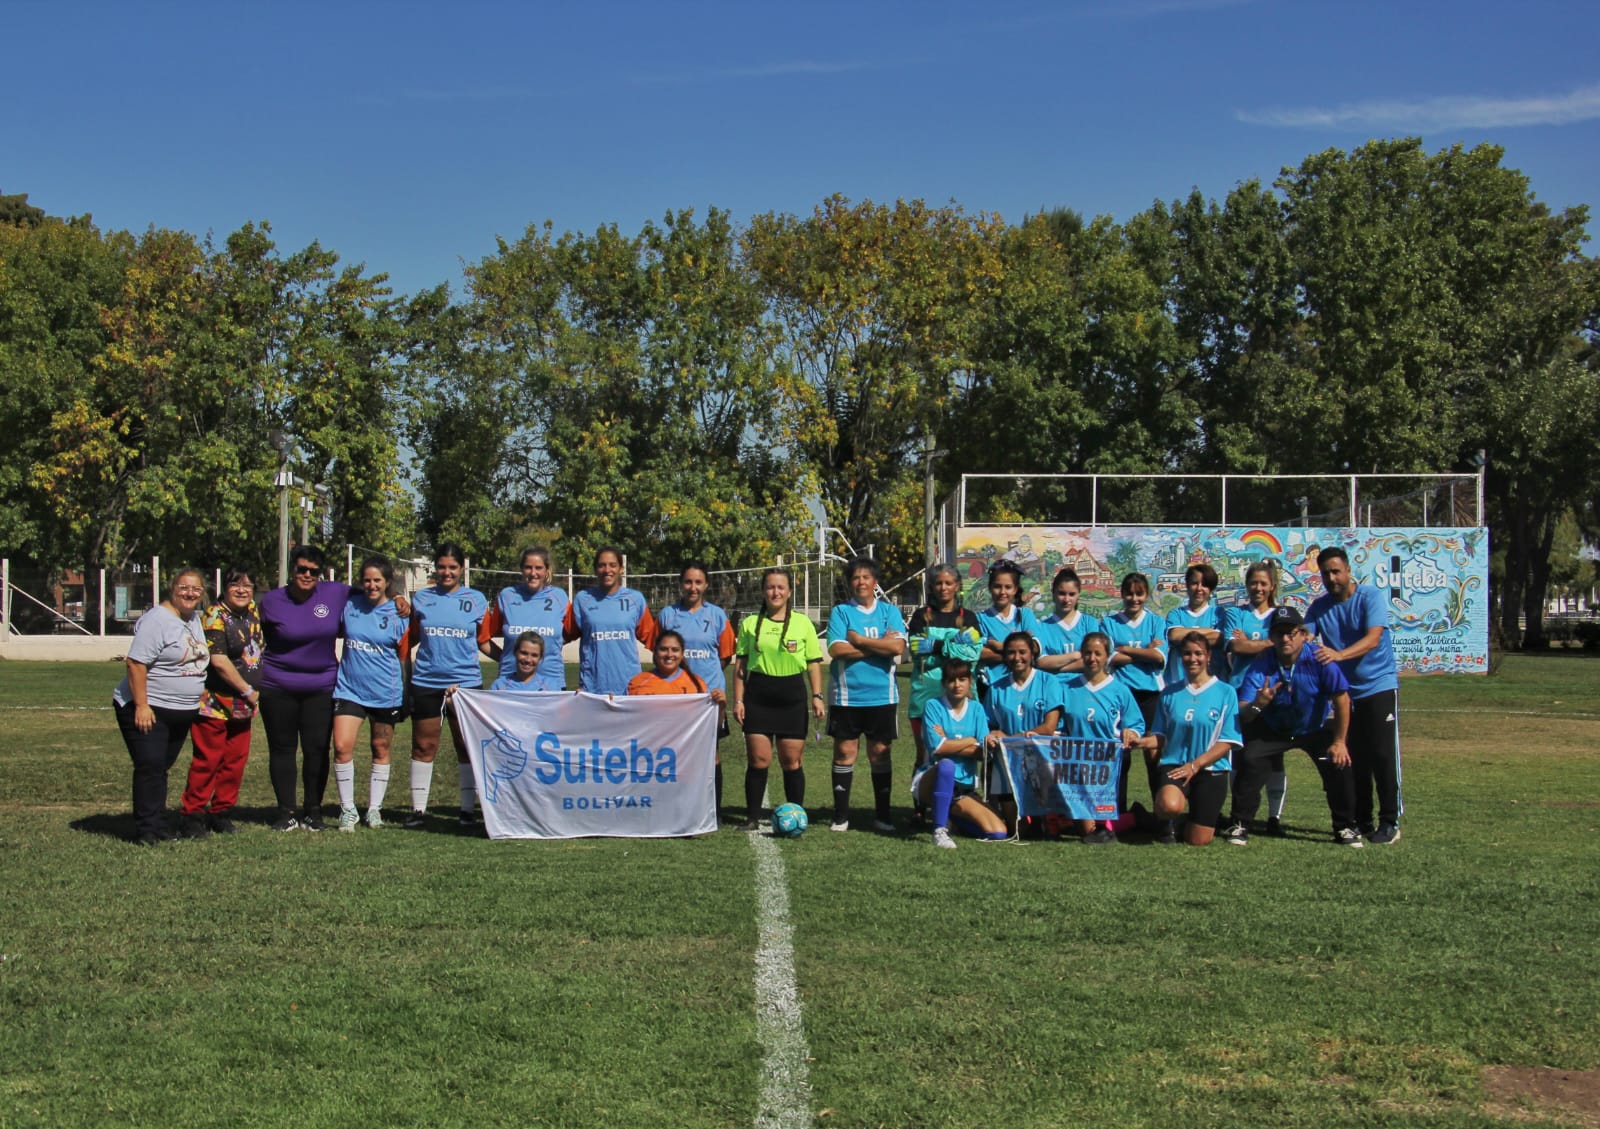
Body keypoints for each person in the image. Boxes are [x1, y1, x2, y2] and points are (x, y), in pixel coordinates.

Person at [1220, 608, 1363, 847]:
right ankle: (1240, 823)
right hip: (1273, 729)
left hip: (1314, 728)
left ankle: (1345, 826)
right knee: (1250, 758)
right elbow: (1244, 710)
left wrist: (1339, 742)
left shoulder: (1319, 659)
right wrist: (1258, 704)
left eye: (1291, 633)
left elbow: (1341, 699)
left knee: (1339, 763)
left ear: (1303, 635)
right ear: (1271, 637)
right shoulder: (1262, 663)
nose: (1285, 639)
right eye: (1278, 634)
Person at [1306, 546, 1402, 844]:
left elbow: (1373, 639)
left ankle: (1390, 821)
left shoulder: (1370, 597)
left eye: (1336, 571)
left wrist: (1338, 655)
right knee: (1355, 758)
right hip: (1346, 693)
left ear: (1348, 570)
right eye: (1326, 574)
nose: (1332, 578)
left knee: (1382, 755)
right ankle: (1363, 820)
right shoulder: (1320, 607)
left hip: (1378, 685)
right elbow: (1303, 637)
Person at [258, 545, 357, 831]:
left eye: (314, 571)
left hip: (321, 687)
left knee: (316, 749)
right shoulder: (272, 601)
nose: (307, 575)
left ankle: (313, 812)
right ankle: (286, 813)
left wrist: (398, 598)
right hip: (278, 686)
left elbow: (373, 593)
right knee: (282, 749)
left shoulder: (335, 593)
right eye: (302, 569)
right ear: (292, 569)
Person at [112, 567, 210, 845]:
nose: (190, 593)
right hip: (150, 708)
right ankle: (148, 830)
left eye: (196, 589)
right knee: (151, 766)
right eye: (184, 587)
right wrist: (142, 706)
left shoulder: (193, 619)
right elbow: (136, 663)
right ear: (172, 589)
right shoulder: (158, 620)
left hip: (181, 710)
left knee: (160, 767)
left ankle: (157, 823)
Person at [732, 568, 825, 831]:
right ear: (763, 591)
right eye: (770, 587)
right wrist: (738, 700)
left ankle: (796, 816)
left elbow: (813, 664)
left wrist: (817, 696)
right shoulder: (750, 624)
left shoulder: (803, 623)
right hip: (758, 696)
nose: (775, 592)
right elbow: (740, 667)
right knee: (758, 760)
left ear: (789, 592)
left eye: (781, 587)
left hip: (792, 697)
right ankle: (752, 817)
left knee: (791, 761)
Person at [405, 544, 490, 831]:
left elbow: (483, 641)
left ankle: (467, 811)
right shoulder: (421, 599)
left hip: (465, 684)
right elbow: (410, 639)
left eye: (452, 567)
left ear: (462, 569)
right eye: (442, 566)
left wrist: (510, 659)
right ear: (435, 568)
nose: (447, 572)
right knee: (423, 746)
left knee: (466, 747)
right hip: (426, 681)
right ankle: (418, 810)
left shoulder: (476, 600)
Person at [1134, 633, 1241, 846]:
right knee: (1169, 805)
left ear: (1208, 656)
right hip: (1175, 765)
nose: (1193, 659)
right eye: (1187, 654)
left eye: (1198, 653)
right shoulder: (1169, 693)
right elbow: (1160, 736)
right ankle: (1159, 817)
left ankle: (1169, 822)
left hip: (1211, 769)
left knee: (1198, 840)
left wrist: (1195, 765)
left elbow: (1228, 741)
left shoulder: (1226, 692)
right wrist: (1141, 742)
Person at [178, 567, 262, 838]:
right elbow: (219, 660)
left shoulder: (253, 611)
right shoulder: (215, 616)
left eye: (247, 585)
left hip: (242, 703)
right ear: (224, 588)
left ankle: (221, 812)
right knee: (208, 760)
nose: (242, 590)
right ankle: (193, 814)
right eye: (235, 585)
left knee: (235, 761)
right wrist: (248, 690)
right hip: (214, 701)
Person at [826, 557, 907, 832]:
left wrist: (859, 641)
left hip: (882, 696)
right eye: (855, 577)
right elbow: (837, 650)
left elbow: (898, 648)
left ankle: (883, 816)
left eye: (866, 577)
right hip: (847, 696)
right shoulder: (841, 612)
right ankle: (840, 816)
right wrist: (880, 645)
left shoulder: (889, 612)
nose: (861, 582)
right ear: (850, 583)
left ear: (875, 582)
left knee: (880, 754)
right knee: (844, 752)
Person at [330, 557, 410, 831]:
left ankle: (374, 809)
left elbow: (405, 654)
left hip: (385, 692)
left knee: (381, 748)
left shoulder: (400, 613)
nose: (372, 585)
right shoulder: (350, 605)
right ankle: (348, 810)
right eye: (367, 580)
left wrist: (399, 597)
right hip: (349, 689)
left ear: (387, 582)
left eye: (377, 580)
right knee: (342, 747)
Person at [657, 562, 736, 810]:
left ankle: (713, 810)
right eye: (688, 582)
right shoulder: (667, 615)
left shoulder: (717, 616)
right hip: (676, 697)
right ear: (681, 584)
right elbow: (660, 653)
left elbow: (725, 655)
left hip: (709, 699)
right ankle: (678, 808)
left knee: (711, 753)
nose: (693, 587)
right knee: (677, 754)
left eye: (698, 582)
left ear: (706, 585)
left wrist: (704, 681)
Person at [906, 564, 983, 805]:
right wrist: (954, 644)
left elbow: (972, 654)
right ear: (932, 586)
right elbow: (918, 653)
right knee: (925, 753)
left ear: (957, 586)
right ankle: (920, 806)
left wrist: (937, 645)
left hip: (962, 698)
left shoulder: (968, 617)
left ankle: (960, 801)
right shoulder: (921, 616)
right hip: (925, 695)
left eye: (948, 583)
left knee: (964, 750)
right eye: (938, 583)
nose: (943, 587)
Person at [912, 660, 1009, 849]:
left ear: (970, 681)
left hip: (963, 789)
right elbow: (937, 749)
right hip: (930, 780)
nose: (957, 685)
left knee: (997, 832)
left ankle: (953, 818)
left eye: (962, 679)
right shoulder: (933, 706)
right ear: (944, 683)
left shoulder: (976, 708)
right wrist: (970, 740)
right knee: (946, 765)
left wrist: (948, 742)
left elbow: (982, 753)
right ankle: (939, 831)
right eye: (951, 680)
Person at [1058, 631, 1144, 843]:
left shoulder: (1120, 690)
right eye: (1088, 653)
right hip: (1077, 765)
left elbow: (1136, 724)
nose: (1092, 658)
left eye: (1098, 653)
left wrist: (1130, 732)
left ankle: (1136, 817)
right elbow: (1059, 727)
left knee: (1095, 829)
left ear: (1107, 656)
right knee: (1085, 829)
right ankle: (1131, 817)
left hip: (1108, 766)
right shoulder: (1067, 688)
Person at [982, 631, 1066, 834]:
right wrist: (992, 736)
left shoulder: (1048, 682)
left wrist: (1009, 739)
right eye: (1011, 652)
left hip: (1043, 757)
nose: (1017, 657)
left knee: (1044, 829)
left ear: (1032, 653)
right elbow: (989, 725)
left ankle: (1046, 821)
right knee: (1017, 832)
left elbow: (1048, 728)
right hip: (1007, 759)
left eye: (1022, 652)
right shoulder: (996, 688)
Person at [1225, 560, 1287, 833]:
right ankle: (1236, 814)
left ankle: (1274, 818)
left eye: (1263, 583)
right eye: (1253, 583)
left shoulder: (1279, 616)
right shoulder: (1235, 613)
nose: (1258, 588)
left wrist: (1251, 643)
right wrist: (1268, 643)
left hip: (1273, 692)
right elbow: (1236, 646)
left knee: (1275, 757)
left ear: (1272, 586)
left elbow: (1284, 647)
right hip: (1240, 690)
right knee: (1238, 753)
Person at [1104, 572, 1167, 818]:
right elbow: (1110, 658)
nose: (1134, 598)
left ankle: (1161, 815)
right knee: (1121, 753)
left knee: (1153, 754)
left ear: (1146, 595)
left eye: (1139, 594)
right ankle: (1117, 814)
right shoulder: (1109, 623)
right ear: (1122, 594)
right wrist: (1144, 651)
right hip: (1121, 695)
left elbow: (1159, 657)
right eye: (1129, 593)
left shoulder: (1156, 622)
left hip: (1150, 694)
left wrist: (1126, 650)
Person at [563, 546, 657, 695]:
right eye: (602, 565)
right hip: (592, 690)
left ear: (621, 569)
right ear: (595, 569)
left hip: (629, 689)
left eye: (613, 565)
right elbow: (562, 636)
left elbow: (654, 640)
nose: (607, 570)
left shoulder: (635, 599)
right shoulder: (583, 599)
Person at [480, 545, 568, 690]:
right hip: (510, 685)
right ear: (521, 569)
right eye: (528, 567)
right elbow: (483, 639)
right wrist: (506, 658)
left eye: (538, 568)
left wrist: (553, 645)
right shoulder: (507, 596)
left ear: (547, 570)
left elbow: (571, 633)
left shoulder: (560, 597)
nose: (533, 573)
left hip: (551, 685)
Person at [976, 559, 1041, 688]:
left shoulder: (1025, 615)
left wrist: (999, 646)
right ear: (990, 587)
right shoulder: (980, 618)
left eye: (1008, 587)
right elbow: (979, 653)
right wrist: (1021, 651)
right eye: (997, 586)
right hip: (992, 686)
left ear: (1015, 589)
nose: (1002, 592)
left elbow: (1035, 647)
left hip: (1024, 685)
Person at [1163, 563, 1225, 686]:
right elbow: (1175, 636)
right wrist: (1210, 631)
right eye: (1194, 583)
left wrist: (1185, 634)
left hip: (1211, 683)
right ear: (1187, 585)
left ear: (1211, 589)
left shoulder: (1219, 613)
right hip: (1177, 683)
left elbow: (1219, 639)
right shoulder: (1176, 614)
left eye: (1204, 584)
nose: (1199, 588)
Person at [628, 630, 726, 702]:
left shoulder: (696, 684)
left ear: (682, 653)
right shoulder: (638, 682)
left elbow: (708, 721)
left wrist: (721, 705)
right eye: (663, 649)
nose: (669, 654)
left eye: (675, 650)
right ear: (655, 652)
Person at [1035, 568, 1101, 676]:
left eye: (1071, 594)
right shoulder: (1042, 627)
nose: (1066, 599)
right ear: (1053, 593)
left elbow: (1093, 660)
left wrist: (1057, 668)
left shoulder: (1090, 623)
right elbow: (1041, 662)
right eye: (1062, 593)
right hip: (1054, 684)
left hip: (1085, 684)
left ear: (1078, 595)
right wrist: (1074, 655)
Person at [489, 632, 564, 692]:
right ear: (515, 652)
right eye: (524, 653)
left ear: (540, 658)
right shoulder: (499, 686)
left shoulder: (552, 686)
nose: (528, 660)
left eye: (534, 655)